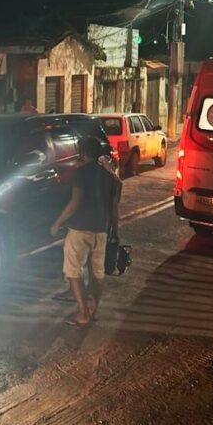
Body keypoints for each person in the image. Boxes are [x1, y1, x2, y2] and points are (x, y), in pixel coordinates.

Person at [50, 136, 122, 327]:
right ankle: (93, 310)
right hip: (101, 230)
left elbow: (75, 202)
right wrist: (114, 229)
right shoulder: (108, 176)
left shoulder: (81, 173)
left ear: (83, 152)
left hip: (80, 229)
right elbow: (113, 206)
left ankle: (82, 313)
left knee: (73, 271)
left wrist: (58, 222)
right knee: (97, 273)